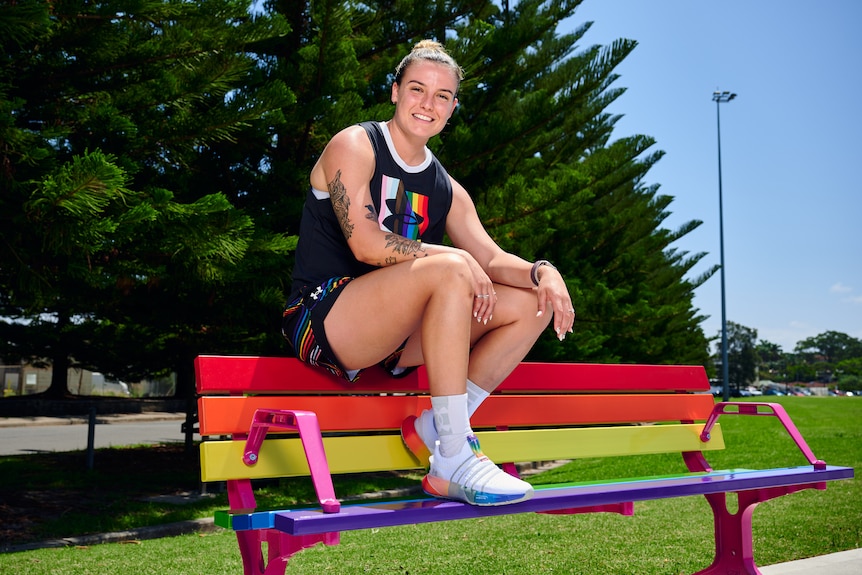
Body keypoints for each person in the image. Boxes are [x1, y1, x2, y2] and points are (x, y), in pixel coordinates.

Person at [283, 40, 575, 507]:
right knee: (450, 269)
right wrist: (452, 260)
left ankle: (438, 427)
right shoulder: (356, 145)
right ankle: (455, 454)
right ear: (396, 91)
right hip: (324, 319)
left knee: (529, 302)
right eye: (417, 89)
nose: (428, 103)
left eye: (442, 96)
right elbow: (364, 242)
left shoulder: (445, 187)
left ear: (453, 108)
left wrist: (545, 272)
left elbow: (492, 258)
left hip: (396, 339)